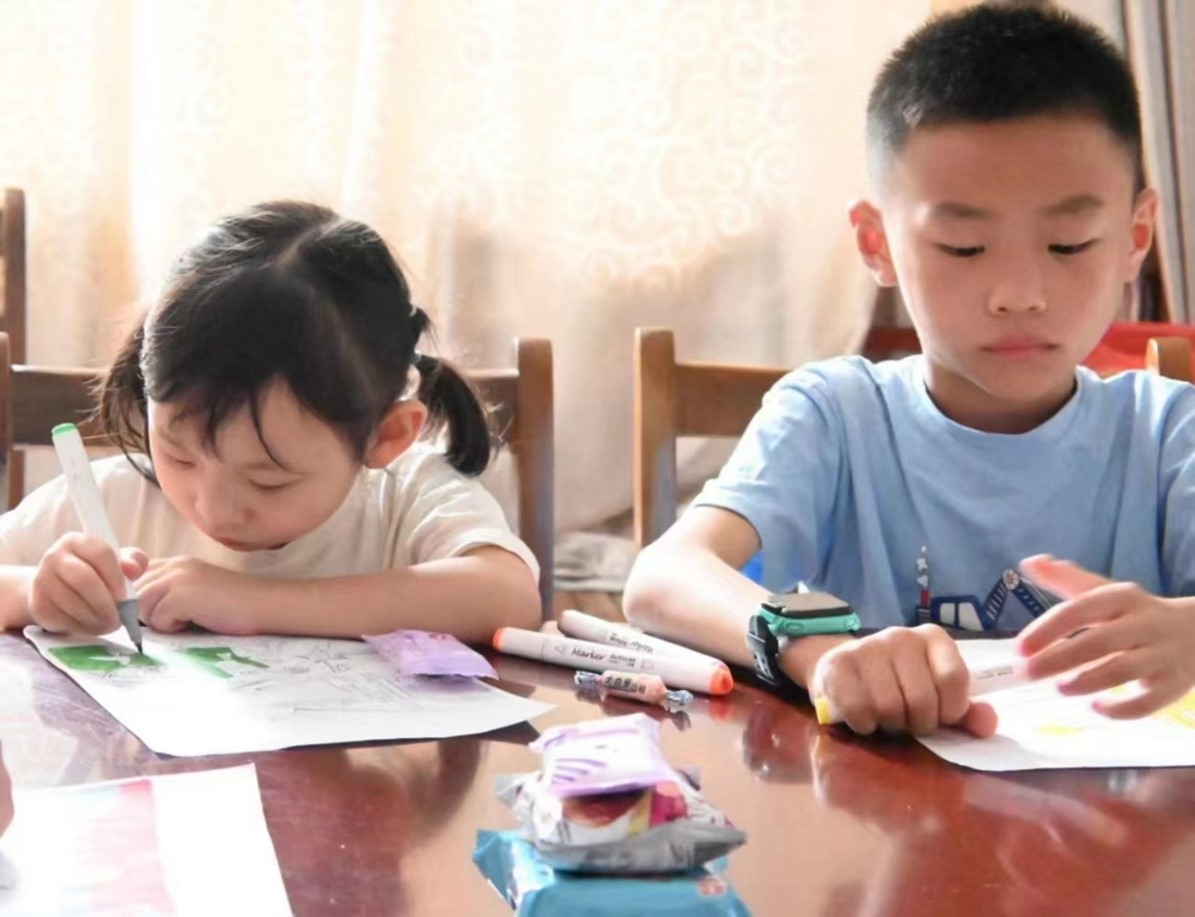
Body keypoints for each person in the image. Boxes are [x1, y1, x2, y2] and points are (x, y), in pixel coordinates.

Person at [625, 4, 1195, 736]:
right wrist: (816, 649)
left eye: (1068, 243)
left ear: (1135, 236)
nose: (1019, 294)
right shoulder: (835, 415)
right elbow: (662, 578)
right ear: (877, 243)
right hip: (878, 796)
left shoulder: (1168, 432)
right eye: (963, 248)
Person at [0, 201, 540, 643]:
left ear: (386, 435)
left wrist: (253, 602)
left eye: (268, 479)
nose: (214, 508)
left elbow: (507, 597)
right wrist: (32, 592)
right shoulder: (118, 497)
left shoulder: (405, 497)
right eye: (179, 454)